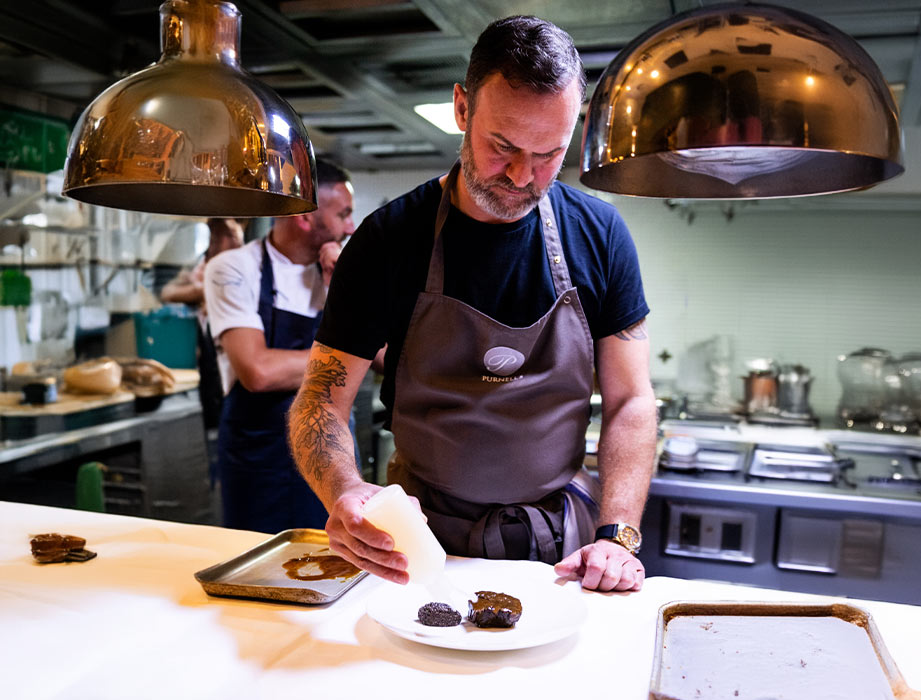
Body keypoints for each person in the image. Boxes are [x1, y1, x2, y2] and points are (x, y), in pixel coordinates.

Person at [288, 16, 657, 592]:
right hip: (415, 548)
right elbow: (321, 400)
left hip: (562, 552)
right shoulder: (389, 240)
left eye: (548, 155)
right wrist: (343, 490)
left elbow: (631, 399)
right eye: (503, 146)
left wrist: (618, 535)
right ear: (463, 108)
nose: (521, 176)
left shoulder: (601, 235)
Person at [204, 159, 357, 533]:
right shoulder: (234, 268)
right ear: (306, 218)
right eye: (343, 215)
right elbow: (258, 371)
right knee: (254, 565)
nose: (350, 227)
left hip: (330, 455)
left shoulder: (346, 271)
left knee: (333, 562)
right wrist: (353, 358)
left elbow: (386, 357)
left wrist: (345, 288)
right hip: (259, 457)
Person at [161, 217, 245, 430]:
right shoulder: (202, 265)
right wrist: (203, 290)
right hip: (207, 353)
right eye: (230, 236)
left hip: (236, 351)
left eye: (235, 236)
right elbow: (168, 292)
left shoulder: (243, 266)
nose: (235, 242)